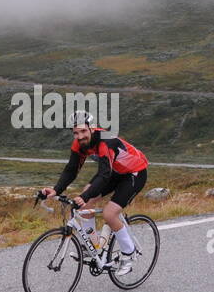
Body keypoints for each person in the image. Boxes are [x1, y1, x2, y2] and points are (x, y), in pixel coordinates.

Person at [40, 111, 149, 274]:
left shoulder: (105, 142)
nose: (80, 136)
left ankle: (129, 253)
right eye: (75, 132)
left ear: (92, 129)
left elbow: (104, 175)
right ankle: (93, 246)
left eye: (83, 131)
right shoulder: (78, 143)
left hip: (134, 173)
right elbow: (71, 169)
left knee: (109, 213)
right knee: (85, 203)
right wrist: (56, 190)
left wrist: (84, 197)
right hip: (114, 172)